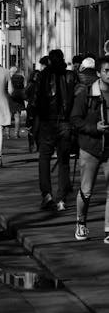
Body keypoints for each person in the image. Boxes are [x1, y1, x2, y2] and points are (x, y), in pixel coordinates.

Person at [27, 48, 75, 211]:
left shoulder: (43, 75)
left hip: (47, 121)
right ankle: (61, 197)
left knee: (44, 158)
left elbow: (34, 100)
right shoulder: (69, 75)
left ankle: (47, 194)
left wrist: (32, 119)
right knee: (63, 161)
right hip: (64, 122)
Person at [71, 57, 109, 242]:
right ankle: (81, 222)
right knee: (86, 190)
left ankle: (108, 230)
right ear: (98, 73)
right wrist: (95, 129)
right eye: (106, 70)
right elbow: (76, 120)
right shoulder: (86, 94)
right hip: (90, 148)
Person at [8, 65, 25, 138]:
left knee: (8, 117)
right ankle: (16, 134)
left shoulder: (9, 79)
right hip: (19, 99)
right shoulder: (21, 78)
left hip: (10, 99)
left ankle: (7, 133)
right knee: (17, 117)